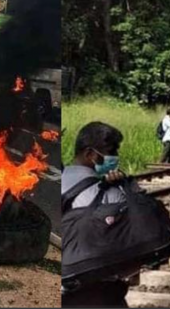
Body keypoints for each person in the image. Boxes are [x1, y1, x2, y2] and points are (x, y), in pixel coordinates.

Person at [61, 121, 135, 308]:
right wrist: (127, 188)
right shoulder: (112, 194)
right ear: (90, 154)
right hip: (98, 295)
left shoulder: (59, 180)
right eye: (112, 151)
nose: (116, 157)